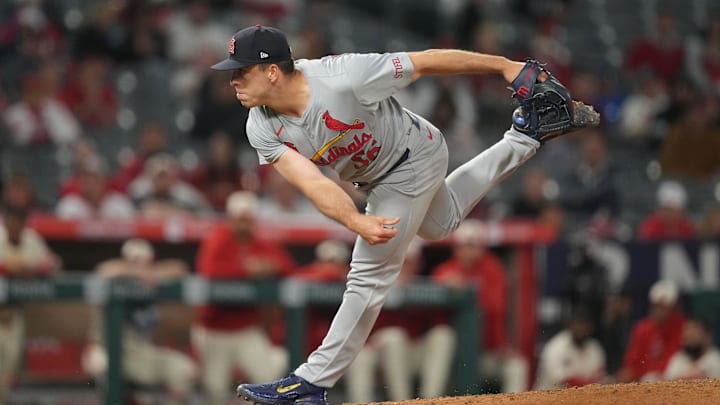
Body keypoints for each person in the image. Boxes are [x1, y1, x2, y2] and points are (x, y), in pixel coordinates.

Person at [210, 25, 598, 404]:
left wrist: (504, 66)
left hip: (409, 158)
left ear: (272, 71)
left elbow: (425, 61)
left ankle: (311, 382)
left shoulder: (344, 77)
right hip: (377, 180)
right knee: (438, 225)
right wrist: (355, 220)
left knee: (368, 275)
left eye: (241, 71)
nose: (233, 81)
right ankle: (527, 134)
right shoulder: (259, 124)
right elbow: (313, 183)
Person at [192, 190, 294, 405]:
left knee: (268, 379)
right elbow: (210, 270)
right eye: (239, 220)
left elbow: (287, 266)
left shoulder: (259, 243)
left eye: (247, 220)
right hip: (214, 329)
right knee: (215, 390)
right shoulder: (218, 238)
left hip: (246, 327)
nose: (243, 225)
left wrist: (269, 266)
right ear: (230, 219)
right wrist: (247, 269)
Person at [82, 239, 195, 405]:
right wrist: (137, 272)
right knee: (103, 366)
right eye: (134, 261)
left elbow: (180, 268)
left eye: (145, 262)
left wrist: (151, 274)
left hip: (140, 353)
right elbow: (103, 270)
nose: (140, 266)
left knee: (184, 369)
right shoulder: (112, 279)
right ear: (125, 261)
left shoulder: (152, 282)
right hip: (105, 350)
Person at [347, 239, 455, 402]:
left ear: (419, 263)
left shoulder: (427, 285)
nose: (405, 267)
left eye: (410, 262)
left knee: (443, 335)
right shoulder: (376, 284)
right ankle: (402, 401)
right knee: (394, 337)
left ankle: (431, 400)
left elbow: (438, 322)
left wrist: (443, 285)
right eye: (402, 262)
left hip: (413, 353)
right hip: (382, 353)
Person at [431, 219, 527, 393]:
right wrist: (446, 285)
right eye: (465, 245)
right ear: (456, 248)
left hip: (485, 354)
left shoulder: (492, 268)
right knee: (441, 341)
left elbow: (496, 307)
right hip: (454, 357)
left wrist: (467, 287)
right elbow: (434, 286)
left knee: (517, 366)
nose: (469, 250)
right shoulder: (446, 270)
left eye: (474, 245)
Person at [0, 204, 59, 403]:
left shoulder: (31, 239)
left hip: (13, 314)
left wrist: (31, 268)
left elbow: (52, 263)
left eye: (18, 222)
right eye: (10, 222)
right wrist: (14, 267)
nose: (13, 226)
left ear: (25, 224)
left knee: (7, 371)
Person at [617, 280, 685, 383]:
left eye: (664, 308)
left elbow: (676, 360)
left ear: (673, 309)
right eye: (656, 306)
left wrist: (657, 375)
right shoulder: (642, 329)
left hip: (670, 381)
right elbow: (632, 362)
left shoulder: (681, 328)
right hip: (643, 381)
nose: (659, 311)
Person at [534, 311, 606, 390]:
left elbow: (600, 377)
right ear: (570, 325)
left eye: (584, 325)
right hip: (550, 397)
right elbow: (564, 380)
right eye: (578, 324)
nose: (581, 329)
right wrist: (589, 385)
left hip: (582, 398)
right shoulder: (556, 347)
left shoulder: (595, 348)